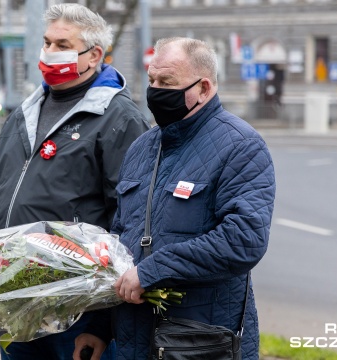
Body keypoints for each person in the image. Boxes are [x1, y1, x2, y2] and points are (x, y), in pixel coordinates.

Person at [74, 37, 276, 360]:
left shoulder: (241, 147)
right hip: (133, 345)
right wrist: (99, 325)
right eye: (152, 80)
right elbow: (122, 243)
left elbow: (244, 240)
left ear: (204, 88)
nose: (154, 90)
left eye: (166, 82)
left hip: (200, 345)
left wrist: (153, 271)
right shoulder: (142, 148)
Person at [0, 3, 149, 359]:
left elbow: (132, 216)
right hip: (15, 299)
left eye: (62, 45)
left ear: (94, 56)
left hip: (77, 310)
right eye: (47, 43)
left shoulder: (118, 118)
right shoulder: (23, 114)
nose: (49, 52)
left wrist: (101, 322)